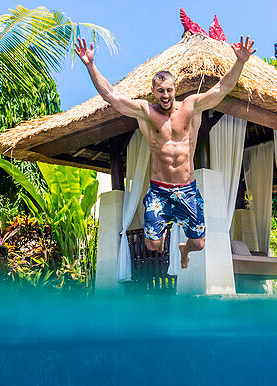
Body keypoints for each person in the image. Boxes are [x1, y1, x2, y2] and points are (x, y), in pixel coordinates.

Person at [74, 34, 255, 269]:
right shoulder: (145, 112)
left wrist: (239, 62)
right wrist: (90, 65)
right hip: (159, 191)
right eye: (160, 91)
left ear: (175, 88)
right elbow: (111, 96)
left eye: (169, 90)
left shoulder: (192, 106)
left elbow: (221, 88)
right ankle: (163, 233)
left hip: (187, 189)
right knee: (152, 245)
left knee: (198, 243)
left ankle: (184, 249)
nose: (166, 95)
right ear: (153, 91)